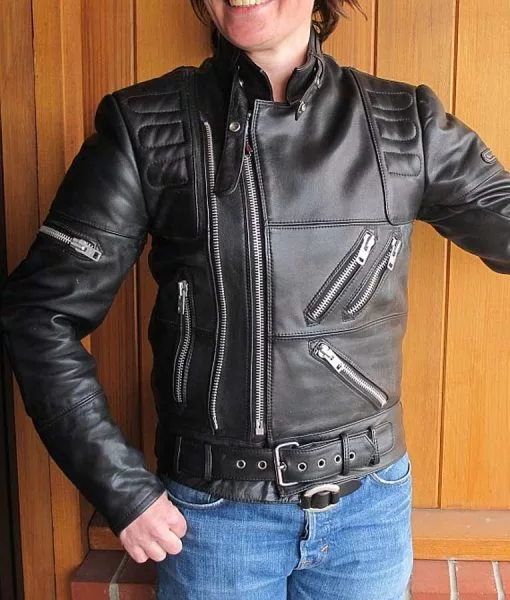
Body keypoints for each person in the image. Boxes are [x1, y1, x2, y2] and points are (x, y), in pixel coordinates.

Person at [1, 0, 509, 598]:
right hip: (216, 521)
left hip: (368, 517)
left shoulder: (404, 121)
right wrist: (121, 489)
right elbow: (40, 314)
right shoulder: (148, 124)